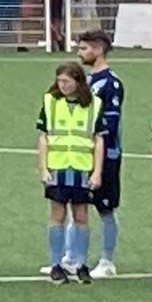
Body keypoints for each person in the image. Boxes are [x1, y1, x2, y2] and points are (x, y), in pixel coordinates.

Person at [37, 61, 107, 284]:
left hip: (81, 168)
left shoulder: (94, 104)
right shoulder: (50, 102)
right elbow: (43, 138)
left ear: (78, 82)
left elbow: (99, 140)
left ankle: (80, 264)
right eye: (60, 80)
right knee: (57, 216)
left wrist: (97, 172)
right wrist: (43, 168)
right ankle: (57, 264)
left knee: (81, 216)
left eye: (67, 81)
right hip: (58, 167)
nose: (62, 85)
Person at [74, 30, 124, 277]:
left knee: (105, 208)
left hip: (106, 155)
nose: (80, 53)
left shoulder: (111, 83)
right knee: (77, 203)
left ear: (99, 49)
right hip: (81, 153)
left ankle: (107, 261)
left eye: (84, 48)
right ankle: (73, 257)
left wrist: (100, 153)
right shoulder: (86, 80)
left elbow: (110, 125)